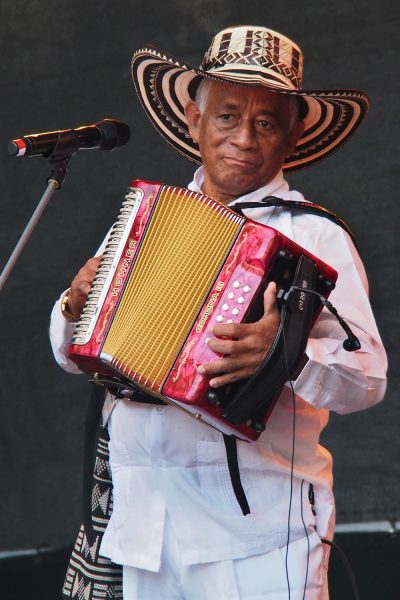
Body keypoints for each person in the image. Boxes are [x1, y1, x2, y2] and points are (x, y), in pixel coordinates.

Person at [50, 25, 387, 600]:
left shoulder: (314, 237)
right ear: (192, 119)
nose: (244, 139)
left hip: (257, 535)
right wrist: (73, 306)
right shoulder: (144, 219)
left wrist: (287, 358)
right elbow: (74, 355)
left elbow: (368, 380)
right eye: (228, 116)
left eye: (266, 122)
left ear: (291, 136)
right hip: (144, 529)